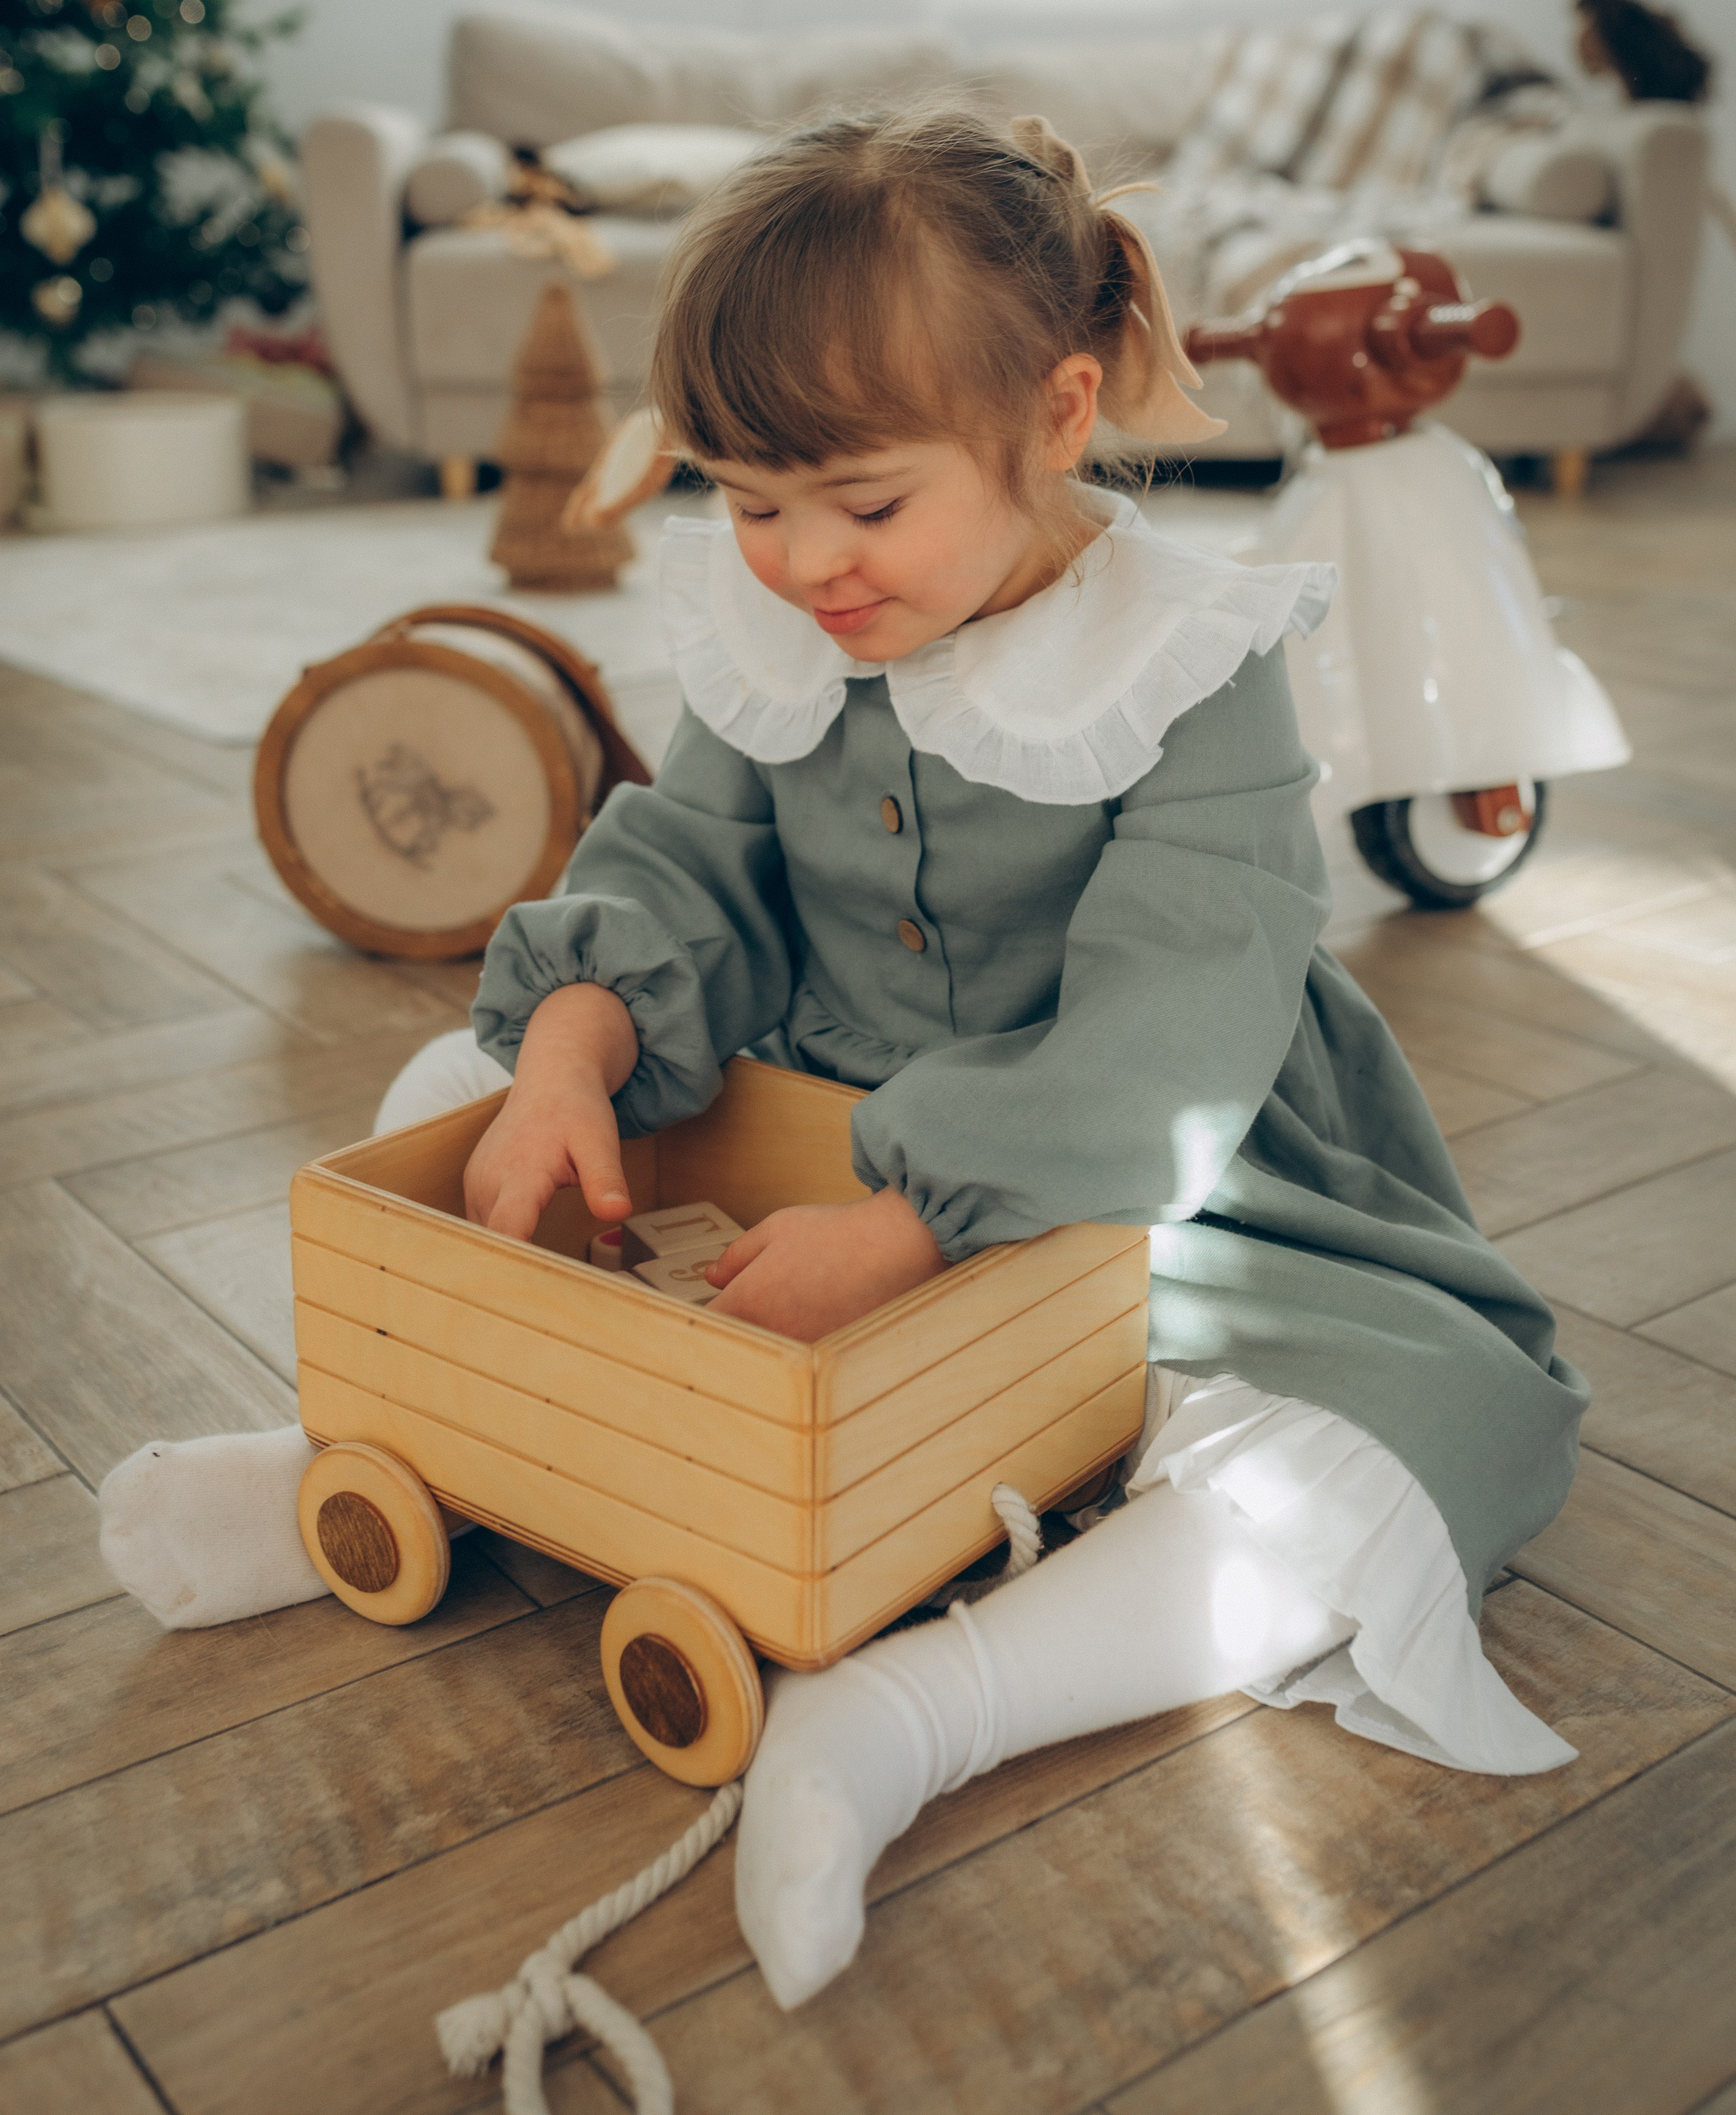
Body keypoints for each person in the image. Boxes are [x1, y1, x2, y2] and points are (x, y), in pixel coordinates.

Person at [99, 104, 1586, 2016]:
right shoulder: (788, 613)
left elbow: (1176, 1031)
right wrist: (567, 1054)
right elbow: (686, 871)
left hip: (1149, 1180)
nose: (802, 563)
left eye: (867, 507)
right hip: (802, 1081)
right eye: (745, 497)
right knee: (443, 1120)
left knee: (1403, 1453)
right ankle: (389, 1474)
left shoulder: (1197, 661)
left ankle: (902, 1717)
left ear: (1056, 417)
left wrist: (910, 1233)